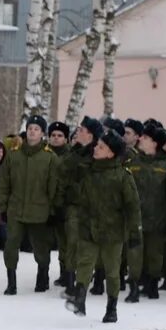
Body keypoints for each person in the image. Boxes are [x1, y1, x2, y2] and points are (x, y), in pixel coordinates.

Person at [66, 131, 141, 322]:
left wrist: (134, 233)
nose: (96, 149)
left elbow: (133, 207)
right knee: (84, 263)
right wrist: (79, 150)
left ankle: (111, 308)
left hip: (113, 231)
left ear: (111, 153)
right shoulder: (87, 169)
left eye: (101, 147)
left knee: (112, 271)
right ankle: (80, 299)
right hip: (88, 227)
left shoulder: (123, 176)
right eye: (96, 145)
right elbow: (66, 170)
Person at [0, 115, 59, 294]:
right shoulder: (14, 155)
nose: (32, 131)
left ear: (42, 134)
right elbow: (4, 183)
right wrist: (3, 207)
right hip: (16, 209)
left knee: (41, 248)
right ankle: (11, 281)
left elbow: (54, 187)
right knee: (11, 246)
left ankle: (42, 276)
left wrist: (53, 210)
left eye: (36, 129)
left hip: (40, 211)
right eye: (30, 128)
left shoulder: (49, 158)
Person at [125, 127, 166, 303]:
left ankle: (152, 284)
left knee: (154, 254)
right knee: (134, 254)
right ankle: (134, 285)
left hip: (158, 219)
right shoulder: (132, 162)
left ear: (155, 143)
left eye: (146, 137)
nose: (141, 139)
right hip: (135, 218)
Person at [54, 117, 101, 296]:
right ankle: (71, 283)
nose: (78, 132)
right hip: (74, 206)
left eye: (82, 130)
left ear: (90, 134)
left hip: (94, 207)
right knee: (72, 243)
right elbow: (62, 175)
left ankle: (93, 281)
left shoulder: (97, 153)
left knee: (91, 246)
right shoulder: (74, 152)